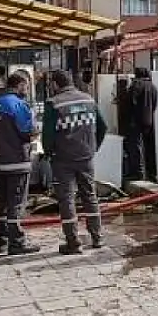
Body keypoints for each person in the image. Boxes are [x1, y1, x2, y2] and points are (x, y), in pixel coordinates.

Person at [42, 70, 108, 255]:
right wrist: (93, 147)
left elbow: (48, 135)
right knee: (90, 195)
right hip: (86, 157)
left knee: (67, 199)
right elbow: (103, 126)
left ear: (55, 84)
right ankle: (97, 237)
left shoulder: (54, 103)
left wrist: (48, 152)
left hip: (63, 159)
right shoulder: (89, 99)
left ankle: (73, 242)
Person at [0, 72, 40, 256]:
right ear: (20, 85)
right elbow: (27, 131)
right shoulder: (18, 104)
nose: (27, 90)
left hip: (0, 160)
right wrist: (36, 131)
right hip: (17, 161)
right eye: (26, 86)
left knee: (3, 201)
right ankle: (17, 242)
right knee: (16, 202)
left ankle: (2, 240)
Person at [122, 67, 158, 182]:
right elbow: (155, 104)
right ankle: (151, 173)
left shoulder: (136, 85)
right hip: (149, 120)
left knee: (135, 146)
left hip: (135, 121)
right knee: (149, 146)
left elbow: (130, 103)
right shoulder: (153, 86)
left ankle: (137, 172)